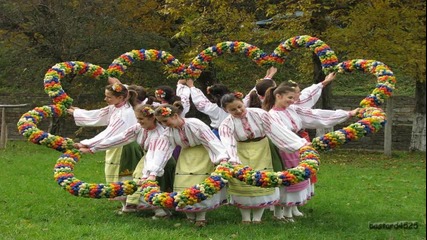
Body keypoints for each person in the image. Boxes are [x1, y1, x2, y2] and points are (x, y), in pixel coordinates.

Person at [263, 83, 360, 222]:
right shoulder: (272, 115)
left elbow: (316, 115)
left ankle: (289, 210)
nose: (292, 100)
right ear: (278, 96)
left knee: (298, 178)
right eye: (289, 97)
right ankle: (280, 213)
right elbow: (281, 133)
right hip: (285, 147)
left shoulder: (293, 109)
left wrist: (346, 114)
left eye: (293, 97)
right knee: (286, 178)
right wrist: (300, 144)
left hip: (298, 145)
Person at [218, 93, 309, 224]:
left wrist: (299, 144)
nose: (238, 111)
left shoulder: (259, 114)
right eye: (233, 110)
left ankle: (257, 218)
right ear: (226, 111)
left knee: (263, 178)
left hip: (262, 149)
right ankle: (245, 218)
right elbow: (228, 142)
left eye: (239, 106)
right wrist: (233, 159)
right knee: (242, 182)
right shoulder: (226, 125)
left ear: (243, 103)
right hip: (241, 151)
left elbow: (277, 130)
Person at [78, 104, 176, 218]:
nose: (139, 122)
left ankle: (161, 212)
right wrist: (92, 147)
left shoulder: (160, 134)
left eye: (141, 119)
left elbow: (158, 155)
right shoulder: (139, 128)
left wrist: (151, 172)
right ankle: (158, 210)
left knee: (152, 183)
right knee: (142, 179)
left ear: (152, 118)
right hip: (148, 158)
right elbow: (120, 138)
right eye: (137, 119)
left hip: (162, 161)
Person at [151, 103, 230, 227]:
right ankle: (189, 215)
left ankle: (201, 217)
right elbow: (162, 151)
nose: (165, 124)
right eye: (161, 122)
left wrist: (222, 158)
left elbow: (210, 140)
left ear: (175, 115)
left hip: (201, 154)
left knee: (199, 184)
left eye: (166, 121)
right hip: (185, 156)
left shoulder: (195, 124)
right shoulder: (168, 133)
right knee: (184, 183)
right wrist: (153, 171)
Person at [67, 83, 143, 207]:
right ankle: (126, 205)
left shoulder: (125, 113)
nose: (105, 99)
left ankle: (133, 203)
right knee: (113, 172)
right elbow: (98, 115)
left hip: (125, 146)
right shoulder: (116, 107)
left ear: (120, 98)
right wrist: (76, 112)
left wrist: (88, 145)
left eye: (108, 97)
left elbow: (110, 133)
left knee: (124, 175)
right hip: (114, 145)